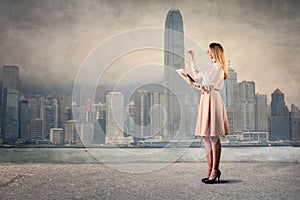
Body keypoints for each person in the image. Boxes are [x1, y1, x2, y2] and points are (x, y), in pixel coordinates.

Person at [187, 43, 229, 184]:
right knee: (206, 136)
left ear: (215, 53)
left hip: (212, 99)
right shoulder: (212, 68)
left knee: (213, 136)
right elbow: (198, 75)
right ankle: (210, 169)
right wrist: (192, 59)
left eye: (210, 52)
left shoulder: (219, 69)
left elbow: (209, 87)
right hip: (206, 99)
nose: (208, 54)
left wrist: (193, 85)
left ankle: (215, 170)